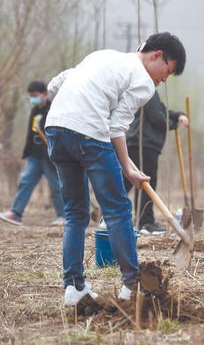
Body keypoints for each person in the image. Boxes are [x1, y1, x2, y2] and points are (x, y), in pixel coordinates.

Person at [45, 32, 186, 306]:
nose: (164, 80)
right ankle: (133, 286)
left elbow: (56, 84)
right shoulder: (144, 82)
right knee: (119, 209)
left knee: (75, 212)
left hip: (56, 129)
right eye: (167, 71)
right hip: (88, 134)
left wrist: (69, 110)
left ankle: (74, 289)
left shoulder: (102, 56)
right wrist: (127, 167)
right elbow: (116, 127)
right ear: (156, 55)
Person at [123, 91, 189, 235]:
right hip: (143, 143)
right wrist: (173, 124)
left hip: (141, 142)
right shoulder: (147, 90)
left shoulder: (150, 90)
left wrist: (178, 115)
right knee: (145, 183)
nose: (164, 79)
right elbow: (156, 117)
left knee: (130, 180)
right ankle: (145, 222)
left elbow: (161, 110)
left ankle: (114, 216)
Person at [0, 81, 64, 226]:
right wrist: (27, 152)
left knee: (56, 186)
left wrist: (56, 152)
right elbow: (31, 133)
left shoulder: (53, 110)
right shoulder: (35, 110)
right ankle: (15, 213)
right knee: (25, 182)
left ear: (45, 94)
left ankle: (64, 216)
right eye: (30, 96)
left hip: (49, 156)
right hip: (34, 156)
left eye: (35, 95)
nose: (32, 98)